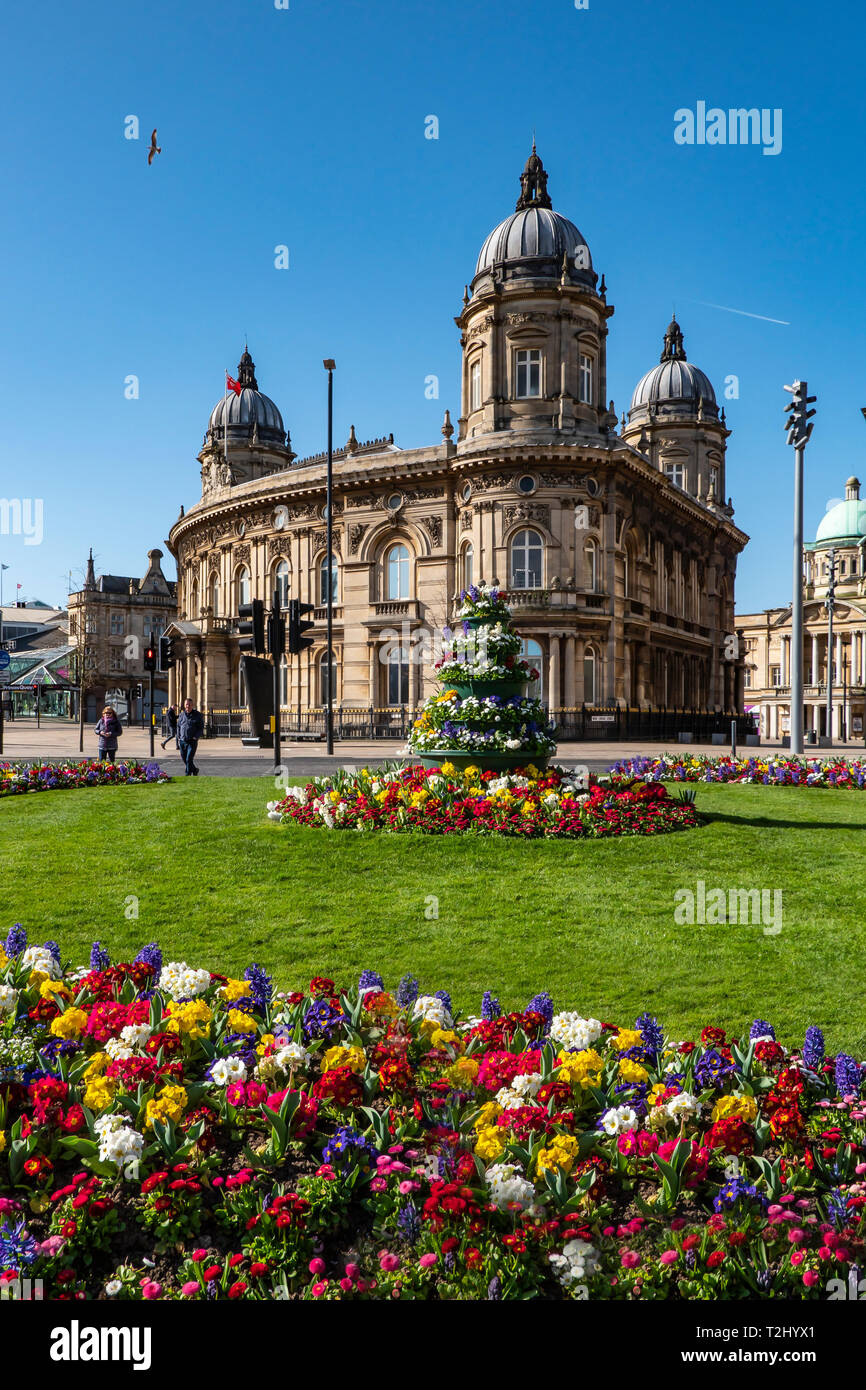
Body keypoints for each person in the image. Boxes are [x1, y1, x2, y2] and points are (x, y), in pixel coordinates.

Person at [177, 697, 204, 776]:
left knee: (189, 759)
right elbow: (178, 726)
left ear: (192, 705)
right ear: (184, 705)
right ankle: (195, 770)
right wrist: (178, 736)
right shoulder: (181, 715)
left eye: (189, 705)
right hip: (182, 741)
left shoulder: (197, 715)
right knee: (184, 759)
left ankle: (187, 774)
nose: (187, 706)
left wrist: (196, 737)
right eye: (186, 704)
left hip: (192, 741)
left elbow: (200, 728)